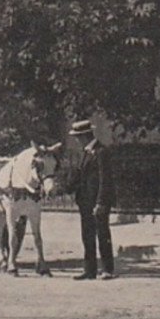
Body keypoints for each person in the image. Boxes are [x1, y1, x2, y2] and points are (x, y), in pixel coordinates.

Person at [68, 120, 116, 280]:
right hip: (85, 202)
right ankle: (90, 270)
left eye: (77, 137)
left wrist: (101, 202)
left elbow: (105, 179)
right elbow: (78, 177)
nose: (76, 140)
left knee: (102, 234)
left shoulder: (101, 152)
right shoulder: (85, 153)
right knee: (87, 235)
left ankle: (108, 269)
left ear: (84, 136)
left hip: (97, 202)